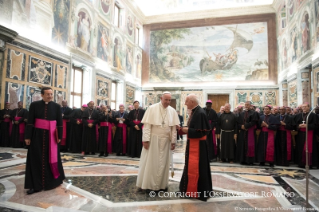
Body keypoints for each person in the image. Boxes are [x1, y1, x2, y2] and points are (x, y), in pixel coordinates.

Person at [24, 87, 65, 195]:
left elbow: (60, 123)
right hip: (36, 136)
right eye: (48, 94)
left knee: (51, 158)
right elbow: (30, 122)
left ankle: (52, 182)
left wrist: (59, 136)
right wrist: (27, 137)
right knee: (35, 159)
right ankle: (35, 185)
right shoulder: (34, 105)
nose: (50, 96)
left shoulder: (56, 106)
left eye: (51, 94)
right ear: (42, 95)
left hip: (51, 136)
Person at [136, 92, 179, 192]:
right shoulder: (152, 108)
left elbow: (173, 128)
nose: (168, 102)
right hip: (153, 140)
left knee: (163, 163)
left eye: (169, 100)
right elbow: (147, 126)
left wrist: (173, 141)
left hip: (166, 141)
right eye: (166, 100)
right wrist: (146, 140)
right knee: (151, 163)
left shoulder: (172, 111)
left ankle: (161, 185)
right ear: (161, 98)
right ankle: (148, 185)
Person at [179, 94, 212, 201]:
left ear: (192, 102)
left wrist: (187, 130)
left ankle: (197, 191)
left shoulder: (200, 113)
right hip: (194, 144)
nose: (185, 103)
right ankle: (188, 189)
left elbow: (201, 132)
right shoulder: (195, 111)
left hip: (198, 147)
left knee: (198, 168)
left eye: (186, 101)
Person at [294, 103, 318, 168]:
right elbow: (294, 125)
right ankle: (301, 163)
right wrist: (298, 126)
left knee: (309, 148)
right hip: (300, 135)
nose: (303, 108)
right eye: (302, 107)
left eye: (305, 107)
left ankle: (309, 164)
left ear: (308, 107)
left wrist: (307, 126)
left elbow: (316, 125)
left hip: (310, 134)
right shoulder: (298, 115)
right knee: (300, 148)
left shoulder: (313, 115)